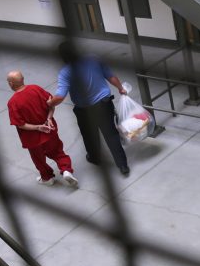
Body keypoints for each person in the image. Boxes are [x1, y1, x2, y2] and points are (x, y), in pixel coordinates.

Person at [48, 41, 131, 176]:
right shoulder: (93, 59)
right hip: (104, 103)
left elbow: (60, 96)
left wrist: (49, 103)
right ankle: (123, 165)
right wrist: (120, 88)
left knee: (89, 135)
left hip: (84, 109)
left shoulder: (66, 72)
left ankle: (95, 157)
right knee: (111, 135)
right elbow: (111, 76)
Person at [7, 70, 79, 188]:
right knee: (58, 152)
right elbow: (51, 104)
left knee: (39, 159)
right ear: (23, 79)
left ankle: (47, 178)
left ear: (11, 84)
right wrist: (49, 118)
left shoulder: (13, 103)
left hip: (32, 139)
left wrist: (37, 127)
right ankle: (66, 170)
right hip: (49, 131)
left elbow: (20, 124)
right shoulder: (36, 89)